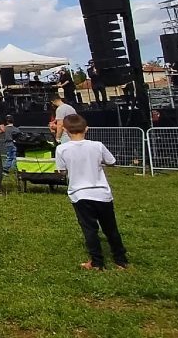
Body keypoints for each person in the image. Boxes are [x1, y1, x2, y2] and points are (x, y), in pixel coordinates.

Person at [55, 114, 128, 271]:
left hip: (79, 194)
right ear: (86, 129)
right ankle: (121, 260)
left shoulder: (61, 149)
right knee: (111, 228)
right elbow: (112, 161)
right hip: (102, 193)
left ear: (66, 131)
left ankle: (97, 262)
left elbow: (61, 170)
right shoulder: (97, 145)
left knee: (90, 229)